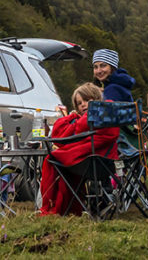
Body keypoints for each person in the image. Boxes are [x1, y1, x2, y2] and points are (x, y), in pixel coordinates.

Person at [38, 83, 119, 216]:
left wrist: (78, 121)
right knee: (58, 161)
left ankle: (53, 206)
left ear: (97, 99)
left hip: (96, 160)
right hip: (98, 161)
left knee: (53, 159)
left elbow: (81, 127)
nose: (83, 105)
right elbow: (58, 134)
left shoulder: (105, 111)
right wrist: (72, 117)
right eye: (79, 103)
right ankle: (64, 207)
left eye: (87, 100)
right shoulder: (91, 118)